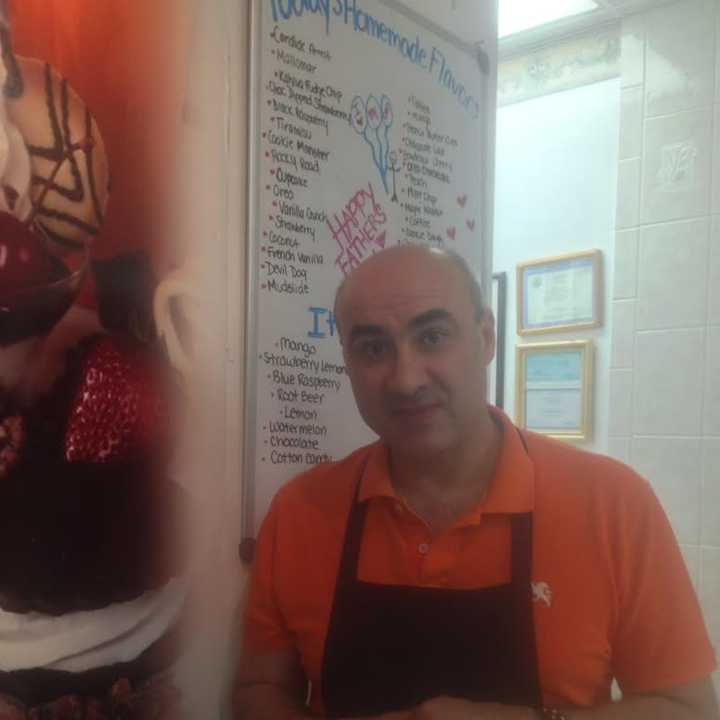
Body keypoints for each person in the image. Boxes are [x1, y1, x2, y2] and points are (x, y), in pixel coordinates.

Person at [235, 244, 719, 720]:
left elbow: (688, 709)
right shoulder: (301, 510)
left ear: (486, 337)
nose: (406, 379)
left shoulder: (613, 504)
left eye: (432, 337)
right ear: (347, 361)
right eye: (374, 348)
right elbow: (260, 688)